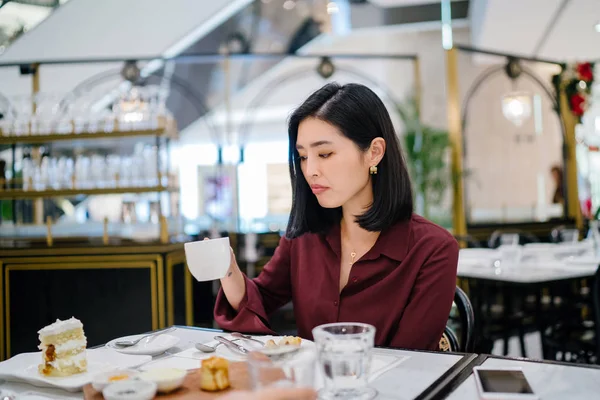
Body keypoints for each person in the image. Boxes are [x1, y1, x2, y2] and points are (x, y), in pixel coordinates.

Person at [214, 83, 459, 351]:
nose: (310, 170)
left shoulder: (433, 249)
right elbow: (260, 299)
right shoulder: (304, 238)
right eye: (303, 156)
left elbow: (413, 361)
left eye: (325, 154)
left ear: (374, 153)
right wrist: (226, 269)